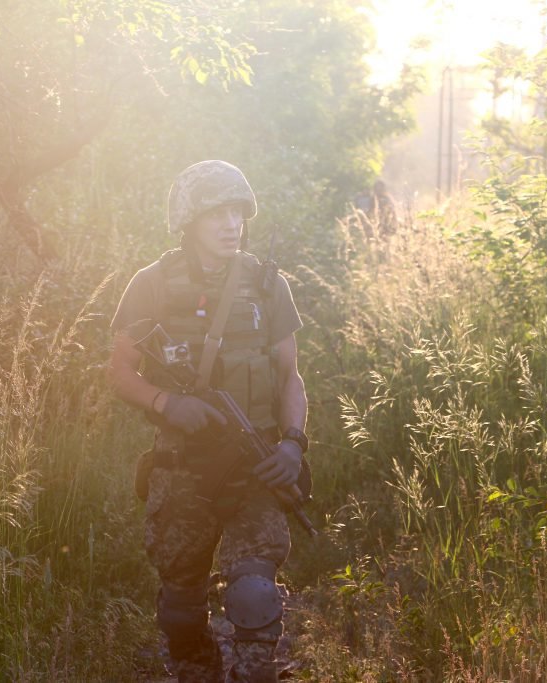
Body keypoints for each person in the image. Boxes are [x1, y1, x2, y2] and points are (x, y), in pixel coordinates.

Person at [109, 160, 309, 682]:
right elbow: (119, 371)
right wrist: (167, 405)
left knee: (254, 592)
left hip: (254, 466)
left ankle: (250, 675)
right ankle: (200, 671)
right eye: (216, 213)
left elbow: (290, 376)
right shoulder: (151, 284)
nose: (230, 224)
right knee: (180, 609)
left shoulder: (268, 285)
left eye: (237, 213)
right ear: (189, 221)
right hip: (182, 470)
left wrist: (292, 444)